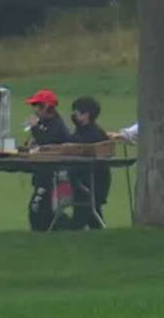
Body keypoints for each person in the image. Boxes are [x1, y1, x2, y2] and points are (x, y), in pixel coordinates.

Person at [61, 95, 121, 230]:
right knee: (94, 218)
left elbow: (78, 148)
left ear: (86, 114)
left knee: (78, 222)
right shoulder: (82, 131)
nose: (74, 115)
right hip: (85, 182)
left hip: (92, 183)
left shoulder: (94, 134)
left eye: (76, 112)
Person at [23, 88, 70, 231]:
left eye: (37, 106)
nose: (34, 110)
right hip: (43, 173)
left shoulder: (56, 124)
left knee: (37, 206)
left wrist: (35, 128)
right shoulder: (46, 123)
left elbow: (47, 141)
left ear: (47, 107)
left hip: (53, 175)